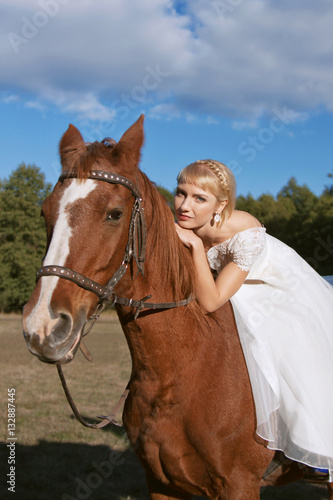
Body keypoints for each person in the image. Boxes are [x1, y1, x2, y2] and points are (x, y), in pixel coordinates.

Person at [174, 159, 333, 483]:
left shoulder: (243, 229)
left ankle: (311, 444)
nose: (184, 205)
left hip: (272, 288)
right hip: (231, 287)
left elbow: (212, 300)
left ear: (221, 205)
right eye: (180, 193)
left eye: (198, 198)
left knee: (280, 335)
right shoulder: (182, 221)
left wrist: (193, 246)